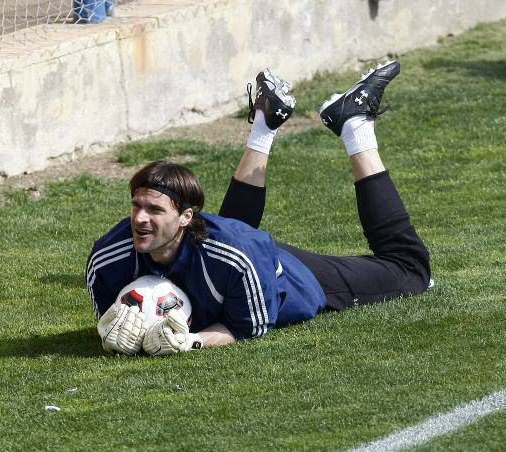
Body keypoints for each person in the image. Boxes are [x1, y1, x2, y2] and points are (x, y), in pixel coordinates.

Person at [86, 62, 431, 356]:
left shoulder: (237, 257)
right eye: (136, 206)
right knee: (225, 250)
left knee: (411, 270)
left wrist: (191, 341)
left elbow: (246, 325)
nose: (140, 219)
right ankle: (266, 120)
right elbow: (112, 325)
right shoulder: (107, 259)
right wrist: (118, 338)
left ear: (186, 218)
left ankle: (355, 125)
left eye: (155, 211)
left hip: (291, 278)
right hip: (231, 254)